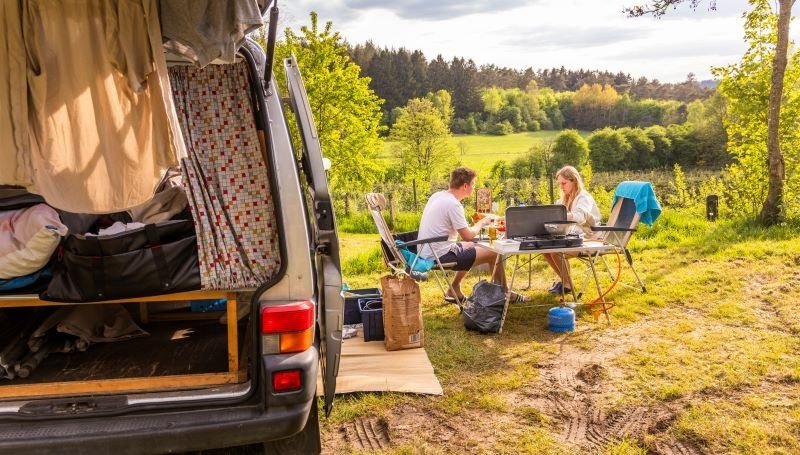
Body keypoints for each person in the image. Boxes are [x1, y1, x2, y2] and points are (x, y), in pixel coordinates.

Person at [417, 167, 504, 303]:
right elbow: (468, 235)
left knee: (471, 246)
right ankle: (503, 293)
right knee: (494, 252)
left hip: (426, 250)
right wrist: (482, 222)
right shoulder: (453, 204)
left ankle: (455, 287)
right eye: (473, 184)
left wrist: (473, 225)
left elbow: (465, 235)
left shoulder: (438, 196)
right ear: (465, 185)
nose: (474, 187)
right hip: (438, 256)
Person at [543, 165, 602, 295]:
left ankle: (567, 284)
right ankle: (565, 281)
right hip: (575, 237)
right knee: (545, 250)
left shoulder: (583, 198)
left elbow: (579, 217)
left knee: (556, 252)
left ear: (574, 180)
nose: (561, 187)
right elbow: (556, 212)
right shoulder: (566, 197)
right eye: (559, 184)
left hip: (590, 238)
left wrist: (559, 215)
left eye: (564, 183)